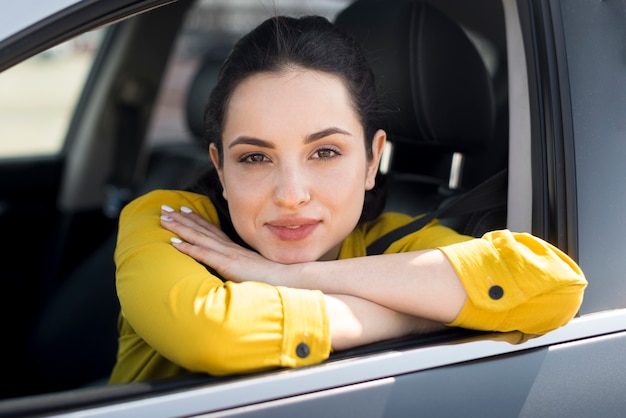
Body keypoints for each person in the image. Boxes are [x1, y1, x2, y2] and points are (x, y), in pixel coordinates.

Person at [108, 15, 586, 384]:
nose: (291, 195)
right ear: (220, 168)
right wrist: (415, 315)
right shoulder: (169, 222)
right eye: (255, 158)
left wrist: (287, 276)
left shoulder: (394, 241)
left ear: (372, 159)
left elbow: (553, 285)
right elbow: (212, 331)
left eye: (326, 152)